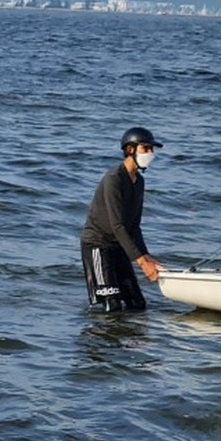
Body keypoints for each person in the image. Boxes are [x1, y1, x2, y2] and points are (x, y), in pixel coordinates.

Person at [80, 126, 165, 312]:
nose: (150, 153)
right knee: (112, 305)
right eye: (146, 148)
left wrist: (147, 256)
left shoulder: (139, 181)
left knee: (137, 305)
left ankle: (134, 339)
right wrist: (142, 263)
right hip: (98, 245)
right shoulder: (114, 179)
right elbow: (118, 225)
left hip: (119, 245)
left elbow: (134, 225)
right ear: (130, 150)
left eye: (152, 150)